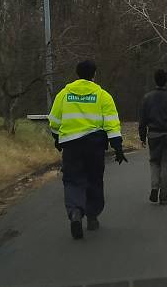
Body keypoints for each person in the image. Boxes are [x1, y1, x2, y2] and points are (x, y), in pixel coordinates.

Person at [48, 60, 128, 239]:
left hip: (71, 146)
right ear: (94, 74)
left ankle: (76, 211)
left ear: (77, 74)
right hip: (94, 146)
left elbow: (53, 120)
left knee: (72, 180)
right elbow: (112, 124)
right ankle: (92, 216)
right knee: (94, 180)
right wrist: (118, 147)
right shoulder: (102, 95)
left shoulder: (64, 94)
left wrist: (57, 138)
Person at [138, 69, 167, 205]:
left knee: (154, 162)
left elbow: (142, 120)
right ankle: (163, 196)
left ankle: (154, 186)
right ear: (166, 81)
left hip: (153, 134)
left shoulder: (147, 98)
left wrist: (142, 137)